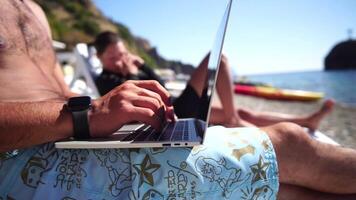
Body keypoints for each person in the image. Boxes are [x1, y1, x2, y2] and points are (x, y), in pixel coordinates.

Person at [0, 0, 355, 199]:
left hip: (70, 136)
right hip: (21, 154)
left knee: (287, 187)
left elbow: (56, 92)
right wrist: (88, 114)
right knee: (289, 148)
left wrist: (97, 123)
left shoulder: (34, 9)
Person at [94, 31, 334, 131]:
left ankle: (305, 121)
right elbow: (135, 99)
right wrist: (131, 73)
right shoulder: (105, 80)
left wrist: (142, 65)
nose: (120, 61)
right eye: (113, 57)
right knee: (218, 59)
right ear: (100, 58)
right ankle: (234, 120)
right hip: (173, 112)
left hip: (176, 102)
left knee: (244, 111)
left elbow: (161, 86)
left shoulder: (131, 67)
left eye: (123, 54)